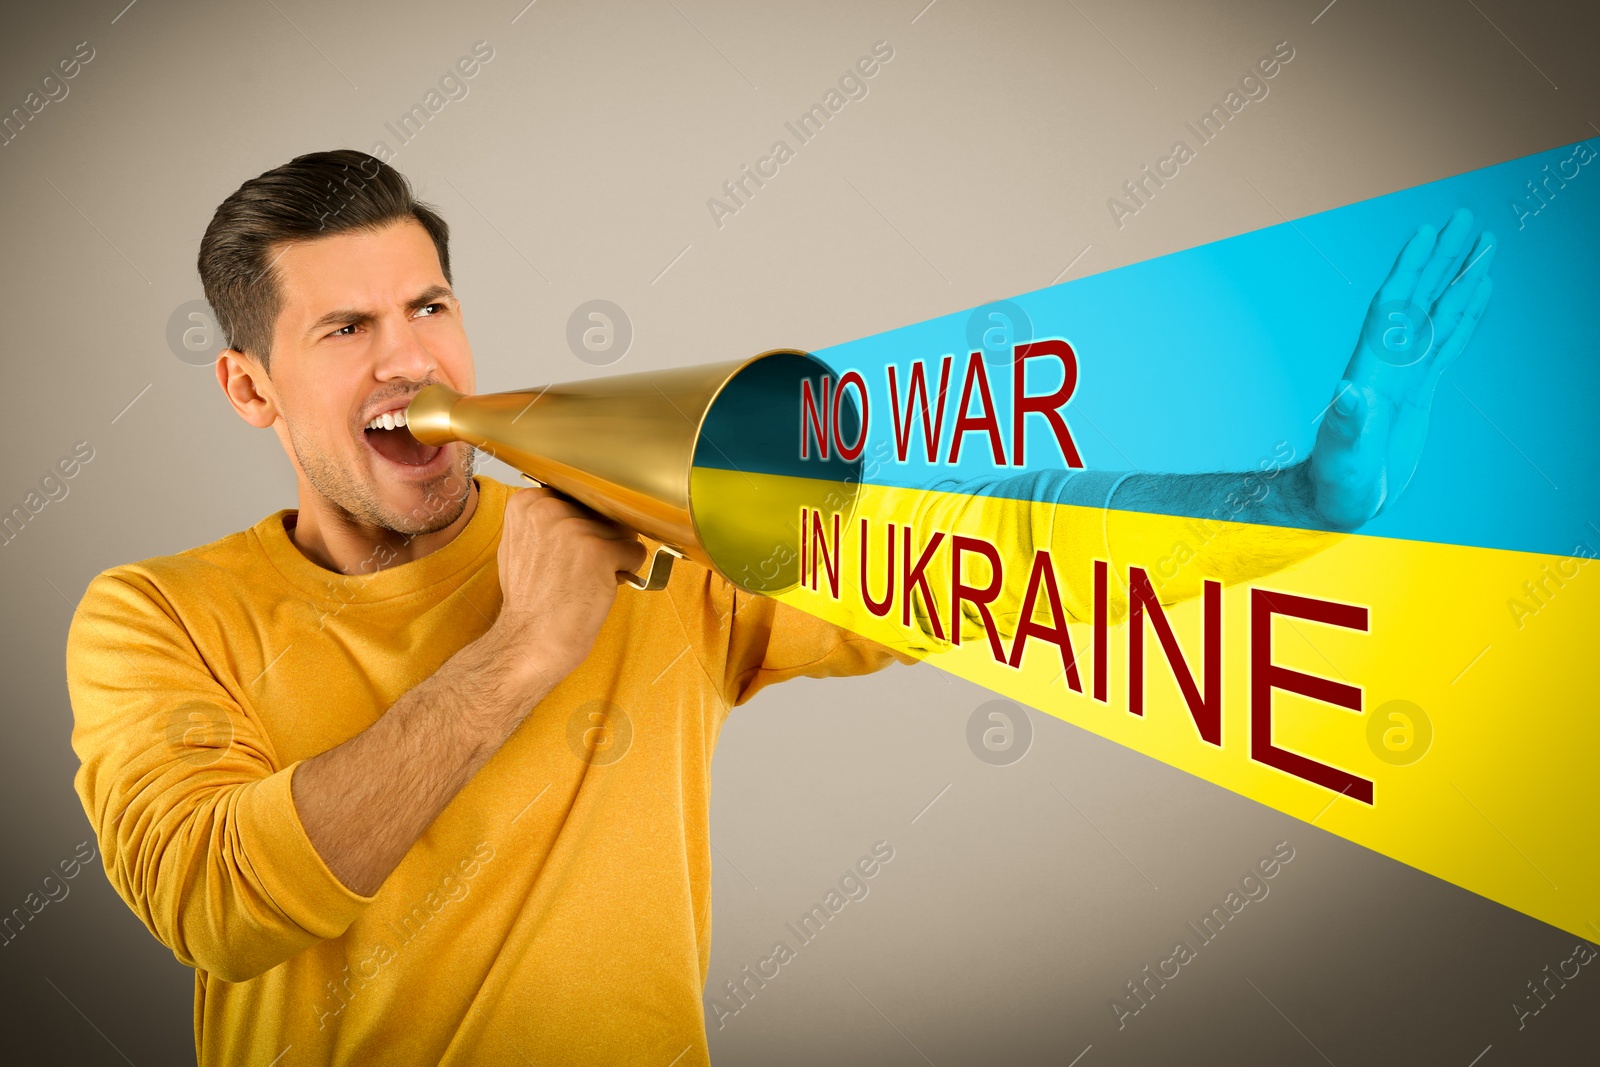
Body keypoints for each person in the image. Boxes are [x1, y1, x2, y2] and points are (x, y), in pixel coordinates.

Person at [65, 149, 1493, 1066]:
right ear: (250, 388)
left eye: (428, 307)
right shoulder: (153, 618)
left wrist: (1298, 502)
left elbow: (987, 553)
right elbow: (217, 903)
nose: (409, 358)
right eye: (345, 329)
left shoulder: (634, 521)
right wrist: (526, 652)